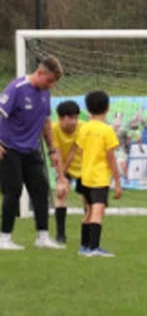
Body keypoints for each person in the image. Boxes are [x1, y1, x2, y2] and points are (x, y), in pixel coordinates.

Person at [0, 56, 66, 250]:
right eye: (49, 80)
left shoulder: (45, 93)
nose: (51, 85)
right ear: (40, 73)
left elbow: (46, 122)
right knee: (13, 191)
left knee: (40, 190)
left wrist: (52, 149)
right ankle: (4, 238)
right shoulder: (16, 88)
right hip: (9, 148)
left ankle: (42, 237)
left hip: (31, 149)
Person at [66, 90, 122, 257]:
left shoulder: (84, 129)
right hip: (99, 178)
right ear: (107, 108)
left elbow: (80, 151)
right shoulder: (107, 131)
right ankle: (94, 247)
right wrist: (118, 182)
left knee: (89, 211)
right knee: (98, 210)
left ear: (88, 109)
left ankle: (84, 246)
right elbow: (111, 158)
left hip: (84, 176)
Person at [52, 99, 85, 244]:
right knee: (60, 194)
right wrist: (61, 177)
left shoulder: (83, 127)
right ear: (61, 118)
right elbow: (57, 152)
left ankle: (88, 235)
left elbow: (73, 152)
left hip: (83, 167)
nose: (74, 121)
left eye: (76, 117)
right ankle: (60, 234)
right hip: (62, 166)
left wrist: (62, 175)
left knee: (87, 200)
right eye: (71, 118)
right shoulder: (53, 129)